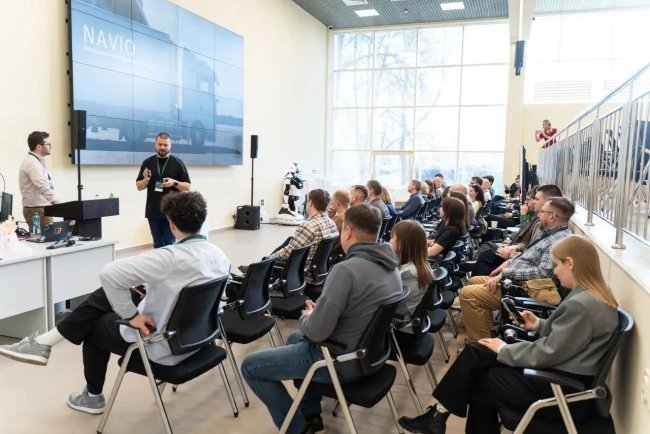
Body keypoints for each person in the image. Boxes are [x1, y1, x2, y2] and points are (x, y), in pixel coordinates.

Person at [0, 192, 230, 414]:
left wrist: (132, 317)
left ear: (171, 223)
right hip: (198, 340)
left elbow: (109, 274)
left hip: (162, 346)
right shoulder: (219, 255)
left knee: (93, 325)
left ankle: (91, 396)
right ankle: (44, 343)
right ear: (202, 219)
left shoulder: (167, 258)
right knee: (115, 294)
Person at [398, 235, 619, 434]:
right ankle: (436, 416)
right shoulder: (591, 296)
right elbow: (568, 339)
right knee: (478, 353)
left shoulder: (582, 304)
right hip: (563, 378)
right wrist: (539, 324)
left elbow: (548, 352)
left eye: (557, 265)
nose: (555, 271)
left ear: (570, 263)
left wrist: (504, 349)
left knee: (481, 377)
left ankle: (437, 415)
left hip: (561, 389)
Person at [241, 204, 403, 434]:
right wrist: (320, 314)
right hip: (370, 356)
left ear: (348, 232)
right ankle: (310, 414)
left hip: (339, 361)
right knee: (295, 338)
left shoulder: (346, 270)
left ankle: (296, 429)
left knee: (250, 367)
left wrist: (308, 316)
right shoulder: (391, 267)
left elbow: (316, 332)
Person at [459, 196, 574, 341]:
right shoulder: (551, 233)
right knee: (474, 280)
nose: (538, 214)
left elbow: (543, 273)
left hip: (522, 288)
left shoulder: (557, 241)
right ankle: (487, 331)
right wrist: (508, 264)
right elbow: (528, 256)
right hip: (514, 280)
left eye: (542, 212)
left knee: (468, 294)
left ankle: (481, 344)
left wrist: (506, 273)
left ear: (552, 216)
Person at [243, 189, 338, 285]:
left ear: (310, 203)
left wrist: (269, 259)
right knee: (290, 240)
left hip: (302, 276)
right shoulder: (332, 224)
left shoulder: (309, 226)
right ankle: (259, 266)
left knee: (270, 262)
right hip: (319, 274)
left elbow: (286, 254)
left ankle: (258, 268)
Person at [136, 132, 191, 248]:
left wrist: (174, 182)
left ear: (170, 146)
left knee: (169, 244)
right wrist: (146, 180)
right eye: (160, 144)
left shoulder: (178, 163)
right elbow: (139, 186)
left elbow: (187, 186)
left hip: (171, 211)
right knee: (157, 244)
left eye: (165, 145)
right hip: (153, 211)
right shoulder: (147, 162)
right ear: (155, 145)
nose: (162, 147)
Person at [390, 220, 434, 327]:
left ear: (401, 244)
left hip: (397, 321)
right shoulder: (419, 263)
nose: (389, 241)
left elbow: (384, 300)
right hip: (403, 313)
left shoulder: (409, 273)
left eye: (392, 238)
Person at [18, 131, 61, 232]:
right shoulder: (32, 163)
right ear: (39, 147)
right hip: (37, 211)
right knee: (45, 239)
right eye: (48, 144)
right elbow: (42, 186)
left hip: (39, 209)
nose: (51, 146)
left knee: (46, 237)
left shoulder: (34, 161)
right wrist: (59, 205)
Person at [327, 188, 350, 257]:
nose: (331, 203)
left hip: (333, 255)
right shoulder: (352, 214)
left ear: (337, 202)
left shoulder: (338, 219)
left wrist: (329, 218)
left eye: (332, 201)